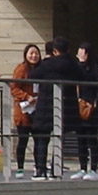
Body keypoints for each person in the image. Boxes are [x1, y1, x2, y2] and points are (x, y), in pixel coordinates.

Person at [30, 38, 80, 179]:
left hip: (46, 104)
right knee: (59, 138)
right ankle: (55, 170)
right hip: (66, 105)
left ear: (54, 51)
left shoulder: (48, 64)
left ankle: (40, 170)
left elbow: (32, 76)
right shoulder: (73, 65)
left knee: (42, 138)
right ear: (68, 50)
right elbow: (82, 77)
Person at [8, 43, 44, 176]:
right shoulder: (21, 69)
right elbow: (14, 87)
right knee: (23, 139)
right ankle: (20, 167)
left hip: (38, 108)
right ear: (26, 55)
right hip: (24, 109)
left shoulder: (41, 69)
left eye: (36, 53)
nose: (34, 56)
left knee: (38, 139)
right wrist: (26, 96)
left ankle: (38, 166)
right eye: (31, 53)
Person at [69, 46, 98, 176]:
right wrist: (80, 64)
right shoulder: (78, 66)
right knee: (81, 139)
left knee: (92, 139)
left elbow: (91, 79)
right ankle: (82, 167)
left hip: (91, 106)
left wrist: (83, 64)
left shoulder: (95, 68)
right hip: (79, 105)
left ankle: (93, 168)